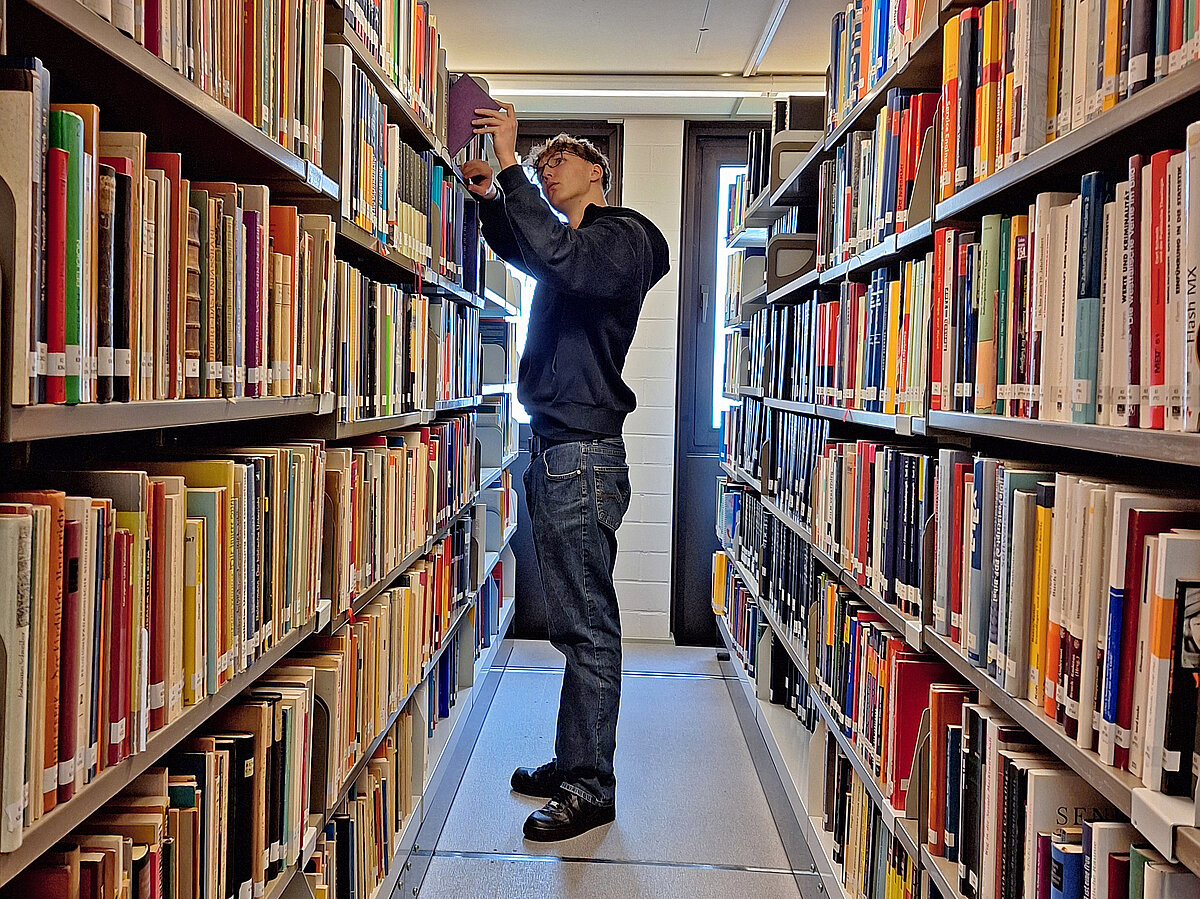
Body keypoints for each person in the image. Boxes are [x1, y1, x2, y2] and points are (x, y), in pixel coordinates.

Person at [463, 105, 670, 842]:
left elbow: (561, 256)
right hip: (554, 449)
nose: (548, 164)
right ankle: (573, 756)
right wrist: (493, 199)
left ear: (598, 174)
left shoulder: (624, 239)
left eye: (562, 158)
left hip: (581, 457)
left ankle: (593, 786)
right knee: (571, 623)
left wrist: (514, 168)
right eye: (541, 158)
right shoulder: (569, 247)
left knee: (588, 628)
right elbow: (532, 251)